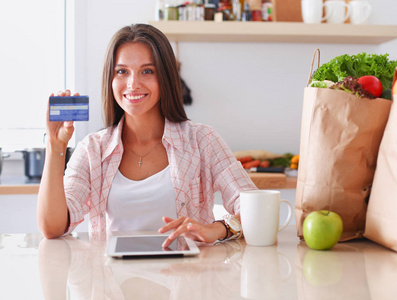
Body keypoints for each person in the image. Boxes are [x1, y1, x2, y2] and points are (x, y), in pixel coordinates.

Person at [37, 23, 257, 247]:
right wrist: (55, 146)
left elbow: (257, 209)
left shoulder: (202, 140)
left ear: (166, 77)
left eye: (147, 71)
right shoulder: (93, 149)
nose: (133, 84)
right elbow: (52, 228)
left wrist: (219, 229)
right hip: (111, 279)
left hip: (187, 278)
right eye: (122, 71)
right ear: (110, 80)